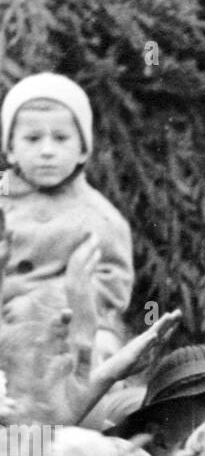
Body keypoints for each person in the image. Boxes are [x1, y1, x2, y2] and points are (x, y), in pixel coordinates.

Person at [0, 73, 133, 359]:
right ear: (10, 149)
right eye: (32, 138)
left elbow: (112, 285)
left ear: (83, 149)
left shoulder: (98, 215)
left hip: (66, 326)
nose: (47, 150)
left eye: (61, 138)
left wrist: (47, 302)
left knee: (100, 349)